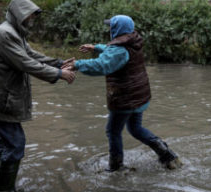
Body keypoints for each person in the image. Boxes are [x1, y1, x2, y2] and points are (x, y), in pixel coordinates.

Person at [0, 0, 76, 192]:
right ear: (19, 14)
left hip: (1, 99)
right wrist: (59, 74)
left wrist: (58, 63)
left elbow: (32, 55)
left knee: (4, 145)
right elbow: (26, 63)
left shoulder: (14, 32)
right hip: (1, 100)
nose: (32, 19)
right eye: (29, 15)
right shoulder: (5, 34)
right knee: (15, 145)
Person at [67, 15, 182, 172]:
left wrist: (77, 64)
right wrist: (96, 47)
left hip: (125, 99)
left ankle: (116, 166)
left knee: (112, 131)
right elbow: (114, 52)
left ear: (116, 30)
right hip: (139, 96)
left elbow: (101, 65)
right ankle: (166, 153)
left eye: (111, 27)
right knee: (135, 129)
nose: (109, 29)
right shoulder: (133, 41)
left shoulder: (119, 50)